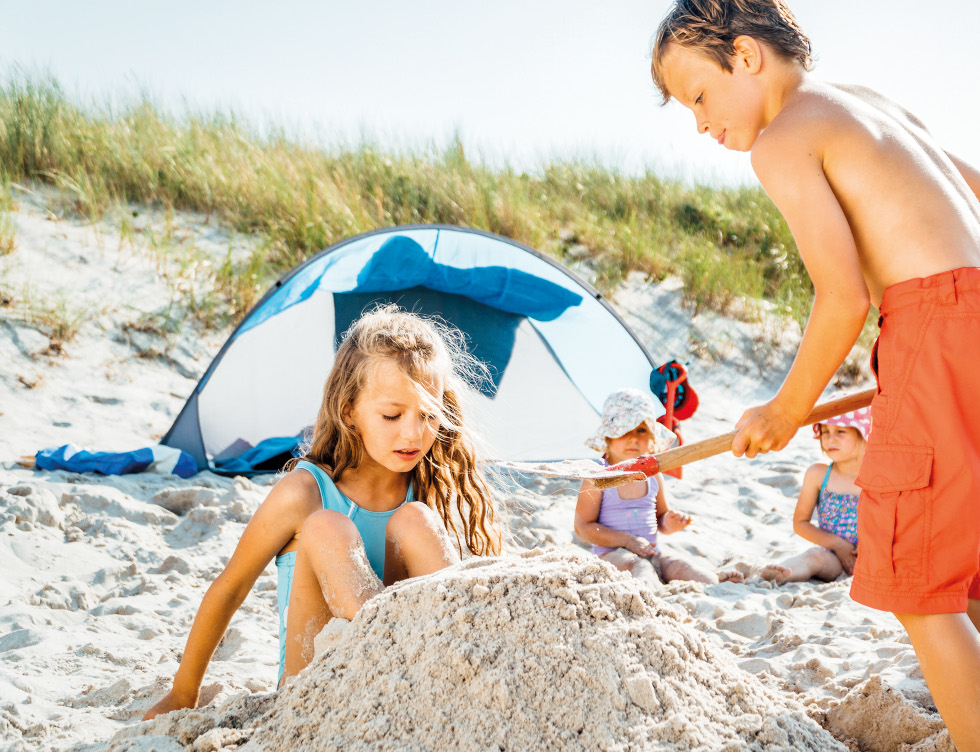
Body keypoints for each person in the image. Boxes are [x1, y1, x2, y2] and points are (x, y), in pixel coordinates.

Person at [650, 0, 980, 751]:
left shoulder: (784, 137)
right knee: (960, 584)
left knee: (923, 593)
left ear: (746, 56)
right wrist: (920, 303)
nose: (698, 124)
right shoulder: (868, 103)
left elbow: (840, 297)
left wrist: (787, 407)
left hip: (945, 321)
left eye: (698, 96)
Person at [143, 306, 502, 719]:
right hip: (312, 699)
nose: (413, 433)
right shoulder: (305, 492)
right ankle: (382, 652)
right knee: (328, 527)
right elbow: (230, 588)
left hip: (403, 695)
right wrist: (183, 693)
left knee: (416, 521)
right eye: (392, 415)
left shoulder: (422, 490)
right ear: (348, 410)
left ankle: (458, 698)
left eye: (428, 415)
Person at [573, 389, 719, 586]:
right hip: (612, 556)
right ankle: (651, 597)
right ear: (607, 436)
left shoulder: (652, 474)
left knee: (681, 566)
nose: (634, 438)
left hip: (652, 553)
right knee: (641, 568)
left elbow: (661, 519)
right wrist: (627, 540)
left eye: (641, 430)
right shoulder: (598, 476)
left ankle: (719, 581)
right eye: (625, 430)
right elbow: (583, 528)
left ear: (651, 436)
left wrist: (671, 522)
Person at [760, 409, 870, 584]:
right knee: (814, 557)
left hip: (876, 557)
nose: (830, 438)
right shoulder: (818, 474)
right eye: (825, 432)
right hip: (834, 557)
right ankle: (783, 573)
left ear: (864, 433)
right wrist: (838, 545)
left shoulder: (879, 476)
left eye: (840, 431)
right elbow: (800, 523)